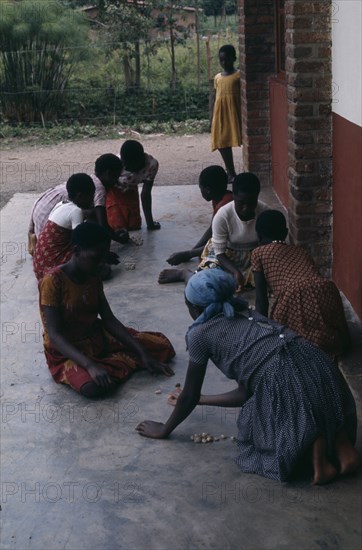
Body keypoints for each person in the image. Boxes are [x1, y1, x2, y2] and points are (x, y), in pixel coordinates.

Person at [136, 269, 359, 485]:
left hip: (281, 376)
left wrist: (164, 429)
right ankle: (342, 448)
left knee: (260, 424)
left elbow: (189, 396)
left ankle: (318, 457)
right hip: (314, 357)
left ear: (193, 308)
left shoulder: (199, 335)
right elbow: (247, 391)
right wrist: (204, 399)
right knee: (308, 393)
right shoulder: (246, 312)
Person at [39, 222, 175, 398]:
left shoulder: (93, 275)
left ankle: (113, 364)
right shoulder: (53, 281)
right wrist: (89, 365)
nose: (101, 263)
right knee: (92, 387)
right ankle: (109, 364)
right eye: (96, 257)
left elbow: (108, 319)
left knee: (163, 347)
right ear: (77, 250)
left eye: (104, 256)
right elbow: (55, 336)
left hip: (95, 336)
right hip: (66, 350)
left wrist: (143, 353)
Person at [252, 210, 350, 360]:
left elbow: (261, 300)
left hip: (294, 297)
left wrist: (259, 333)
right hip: (327, 290)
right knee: (326, 334)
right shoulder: (300, 250)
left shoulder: (258, 253)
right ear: (285, 233)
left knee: (292, 346)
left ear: (258, 236)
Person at [159, 172, 268, 291]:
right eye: (241, 203)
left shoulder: (265, 213)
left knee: (266, 279)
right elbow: (220, 253)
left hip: (253, 256)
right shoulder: (223, 215)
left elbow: (269, 246)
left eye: (251, 203)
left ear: (257, 197)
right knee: (206, 283)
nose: (246, 208)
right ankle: (185, 274)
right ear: (234, 197)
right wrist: (235, 272)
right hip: (226, 254)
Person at [28, 154, 129, 256]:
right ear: (108, 174)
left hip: (40, 225)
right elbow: (101, 225)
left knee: (90, 215)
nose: (116, 182)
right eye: (116, 177)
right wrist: (117, 239)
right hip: (52, 244)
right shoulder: (98, 189)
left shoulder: (88, 181)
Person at [164, 165, 233, 267]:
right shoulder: (219, 197)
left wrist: (189, 253)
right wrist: (192, 251)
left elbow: (218, 243)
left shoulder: (225, 204)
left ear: (208, 190)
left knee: (211, 260)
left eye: (201, 188)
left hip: (233, 243)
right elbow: (212, 229)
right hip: (224, 237)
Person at [33, 173, 95, 281]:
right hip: (52, 271)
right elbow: (81, 243)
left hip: (40, 268)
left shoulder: (61, 204)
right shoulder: (76, 211)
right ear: (80, 196)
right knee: (95, 264)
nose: (92, 201)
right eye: (91, 196)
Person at [106, 140, 160, 231]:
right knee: (117, 226)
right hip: (113, 191)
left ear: (140, 160)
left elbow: (145, 195)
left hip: (130, 190)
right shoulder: (116, 163)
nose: (125, 168)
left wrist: (150, 223)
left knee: (134, 225)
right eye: (124, 165)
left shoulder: (151, 165)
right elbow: (104, 185)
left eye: (128, 166)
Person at [210, 45, 242, 182]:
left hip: (235, 112)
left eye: (227, 59)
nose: (224, 63)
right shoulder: (217, 77)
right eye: (221, 60)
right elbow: (214, 97)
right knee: (222, 142)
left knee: (239, 137)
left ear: (234, 58)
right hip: (221, 115)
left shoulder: (239, 75)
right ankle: (231, 172)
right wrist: (211, 116)